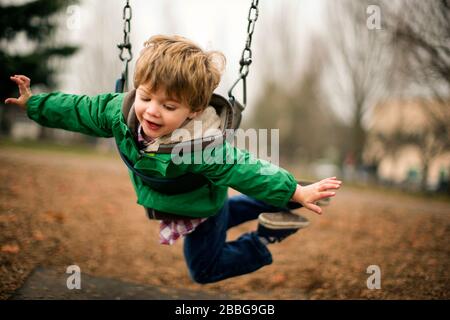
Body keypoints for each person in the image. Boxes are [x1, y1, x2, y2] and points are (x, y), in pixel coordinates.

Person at [4, 35, 342, 284]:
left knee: (204, 270)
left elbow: (244, 168)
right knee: (229, 206)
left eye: (168, 107)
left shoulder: (199, 145)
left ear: (193, 111)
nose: (151, 110)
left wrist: (292, 190)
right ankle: (293, 198)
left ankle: (267, 234)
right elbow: (80, 110)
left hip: (200, 212)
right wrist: (36, 104)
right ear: (137, 88)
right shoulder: (119, 112)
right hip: (196, 198)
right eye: (146, 96)